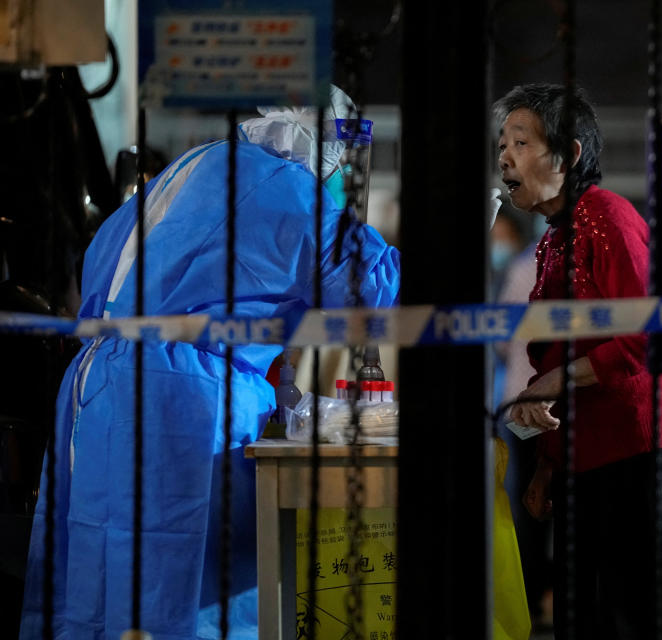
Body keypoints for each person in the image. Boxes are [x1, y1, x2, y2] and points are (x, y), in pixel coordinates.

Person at [18, 86, 400, 640]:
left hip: (96, 383)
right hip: (179, 400)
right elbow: (369, 287)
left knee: (92, 569)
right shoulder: (288, 188)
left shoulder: (198, 163)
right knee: (184, 580)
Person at [495, 82, 662, 639]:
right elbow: (561, 352)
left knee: (633, 613)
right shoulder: (553, 238)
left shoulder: (607, 215)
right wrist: (549, 464)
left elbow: (649, 332)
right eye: (502, 145)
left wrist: (555, 379)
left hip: (637, 438)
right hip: (585, 447)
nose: (505, 157)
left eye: (521, 142)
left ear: (570, 153)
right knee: (585, 614)